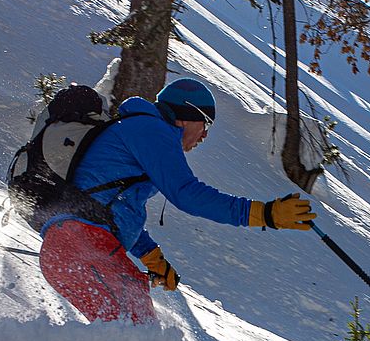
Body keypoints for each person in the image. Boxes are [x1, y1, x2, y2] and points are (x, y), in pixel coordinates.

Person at [38, 77, 316, 323]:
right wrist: (264, 214)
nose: (205, 135)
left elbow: (109, 210)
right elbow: (186, 194)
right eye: (206, 124)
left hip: (70, 249)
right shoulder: (151, 129)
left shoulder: (136, 130)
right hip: (85, 247)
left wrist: (152, 256)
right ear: (186, 115)